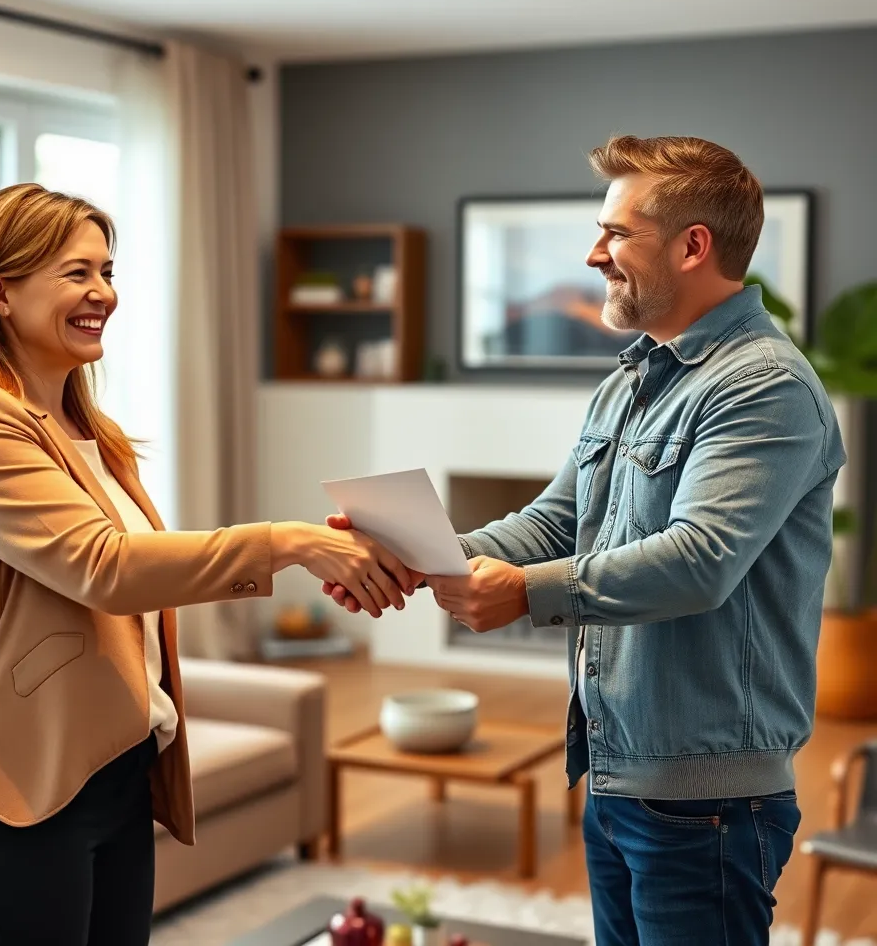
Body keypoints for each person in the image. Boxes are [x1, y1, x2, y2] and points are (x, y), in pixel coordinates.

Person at [324, 136, 844, 945]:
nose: (593, 252)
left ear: (692, 244)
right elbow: (555, 521)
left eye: (615, 233)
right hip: (617, 773)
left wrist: (524, 594)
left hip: (704, 798)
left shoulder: (763, 386)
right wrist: (419, 554)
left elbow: (699, 561)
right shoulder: (629, 381)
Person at [0, 183, 414, 946]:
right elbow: (104, 568)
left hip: (116, 770)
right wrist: (292, 542)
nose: (102, 292)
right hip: (21, 791)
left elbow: (135, 578)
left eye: (107, 271)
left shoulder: (85, 431)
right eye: (76, 273)